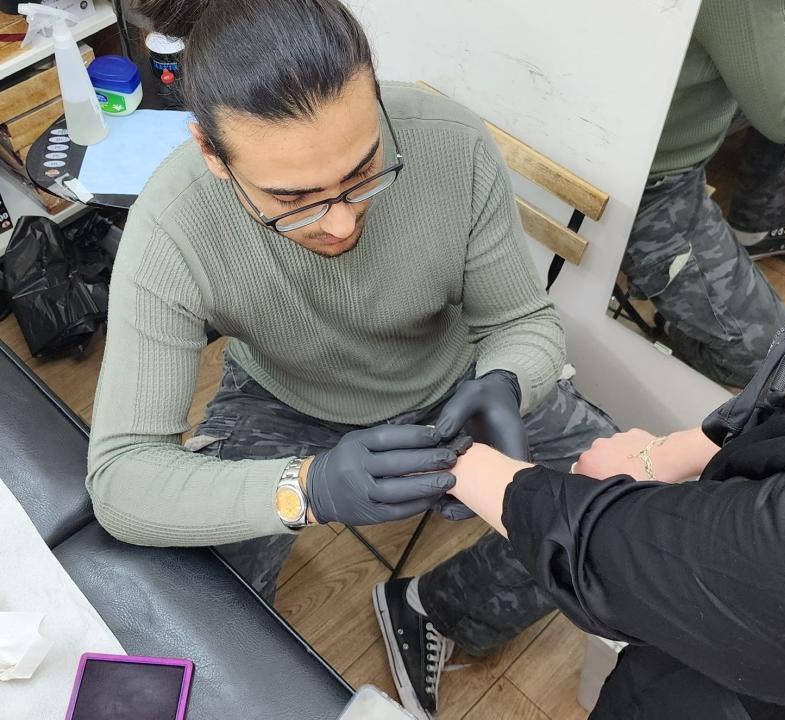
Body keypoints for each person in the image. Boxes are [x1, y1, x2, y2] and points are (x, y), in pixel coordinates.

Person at [85, 1, 617, 718]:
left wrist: (508, 381)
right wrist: (306, 489)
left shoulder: (450, 146)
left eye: (364, 170)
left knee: (614, 514)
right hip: (285, 397)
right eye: (292, 198)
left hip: (452, 380)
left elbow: (521, 321)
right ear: (212, 154)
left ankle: (436, 611)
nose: (341, 222)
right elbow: (122, 478)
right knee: (194, 590)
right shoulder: (173, 226)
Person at [447, 0, 785, 716]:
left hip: (704, 659)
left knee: (584, 460)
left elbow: (626, 556)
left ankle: (440, 610)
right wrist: (684, 449)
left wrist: (459, 464)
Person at [622, 0, 785, 388]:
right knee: (772, 359)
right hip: (641, 176)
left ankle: (764, 223)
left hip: (647, 103)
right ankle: (679, 320)